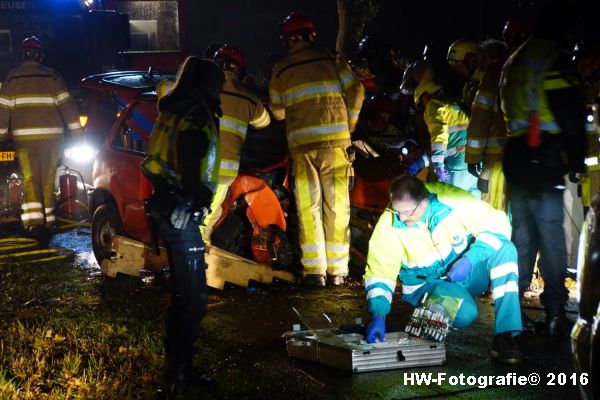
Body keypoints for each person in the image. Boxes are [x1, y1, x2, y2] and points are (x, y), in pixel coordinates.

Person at [364, 175, 522, 364]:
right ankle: (428, 316)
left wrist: (470, 260)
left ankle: (505, 335)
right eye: (396, 210)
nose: (400, 217)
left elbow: (497, 223)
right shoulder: (389, 222)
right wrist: (379, 315)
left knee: (505, 250)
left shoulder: (450, 199)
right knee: (466, 314)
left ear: (423, 202)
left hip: (463, 271)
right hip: (428, 285)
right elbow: (380, 271)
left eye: (406, 212)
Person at [499, 1, 586, 336]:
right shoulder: (554, 59)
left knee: (521, 238)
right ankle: (553, 312)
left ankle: (511, 312)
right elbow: (569, 113)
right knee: (551, 238)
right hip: (544, 157)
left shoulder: (516, 57)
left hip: (516, 156)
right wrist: (576, 158)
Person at [140, 56, 225, 395]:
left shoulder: (173, 107)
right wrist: (193, 200)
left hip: (165, 202)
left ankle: (178, 370)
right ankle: (179, 376)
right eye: (218, 85)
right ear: (207, 83)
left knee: (186, 295)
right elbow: (190, 159)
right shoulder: (196, 111)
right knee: (193, 297)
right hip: (179, 208)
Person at [269, 12, 365, 286]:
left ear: (287, 41)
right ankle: (337, 273)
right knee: (336, 207)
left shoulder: (281, 69)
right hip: (335, 146)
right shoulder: (331, 60)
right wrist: (350, 124)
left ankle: (315, 273)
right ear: (312, 35)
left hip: (302, 149)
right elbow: (357, 91)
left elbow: (277, 112)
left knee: (308, 209)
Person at [0, 36, 83, 246]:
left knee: (30, 179)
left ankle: (35, 223)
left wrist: (0, 137)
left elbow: (2, 112)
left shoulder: (12, 79)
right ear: (40, 55)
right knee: (47, 181)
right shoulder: (53, 78)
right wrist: (78, 137)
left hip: (25, 142)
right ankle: (50, 221)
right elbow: (69, 109)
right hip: (53, 140)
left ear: (23, 54)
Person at [201, 44, 271, 243]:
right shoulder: (247, 98)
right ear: (239, 70)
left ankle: (192, 258)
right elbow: (264, 122)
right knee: (209, 215)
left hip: (199, 166)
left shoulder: (203, 91)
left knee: (195, 215)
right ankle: (199, 255)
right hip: (225, 171)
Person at [412, 79, 479, 197]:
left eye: (421, 103)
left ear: (426, 95)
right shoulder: (455, 103)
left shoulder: (434, 105)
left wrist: (438, 165)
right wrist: (423, 161)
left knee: (454, 204)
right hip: (475, 163)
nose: (423, 107)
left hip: (458, 165)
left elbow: (439, 138)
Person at [465, 40, 510, 211]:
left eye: (480, 58)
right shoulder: (520, 70)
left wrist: (472, 158)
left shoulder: (491, 75)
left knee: (494, 210)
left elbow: (480, 119)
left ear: (488, 57)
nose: (478, 64)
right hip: (523, 152)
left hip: (495, 157)